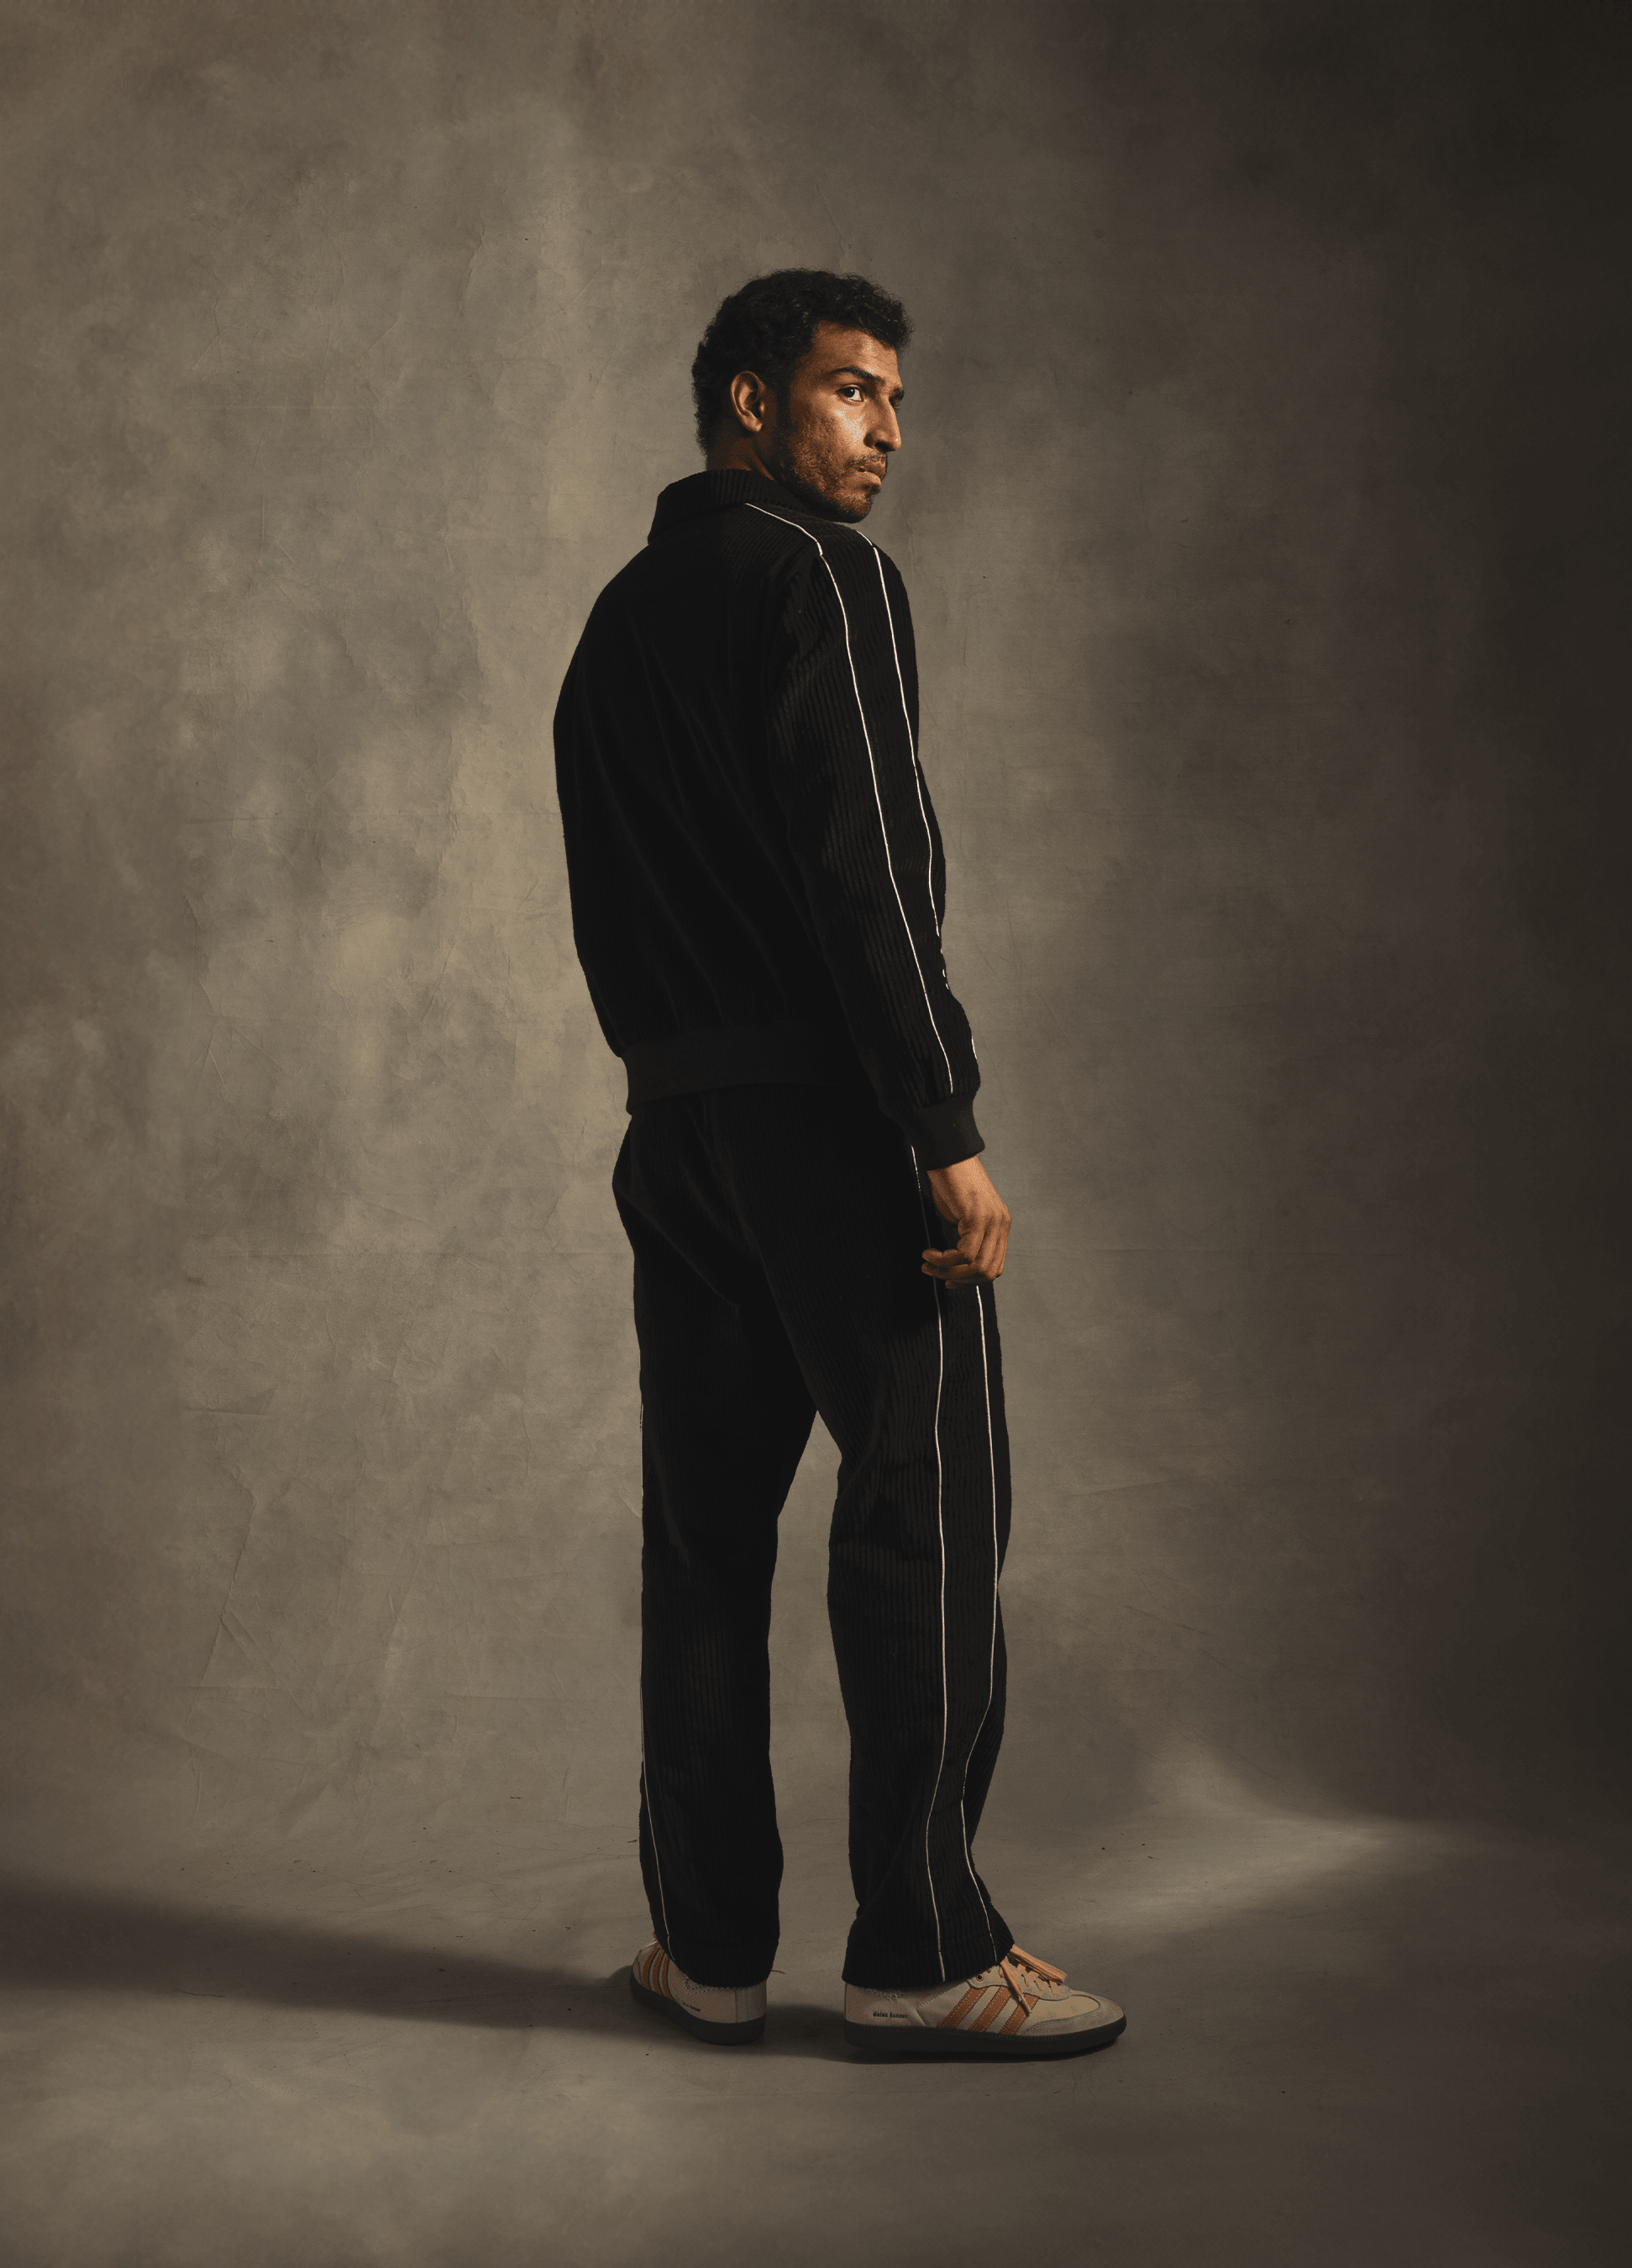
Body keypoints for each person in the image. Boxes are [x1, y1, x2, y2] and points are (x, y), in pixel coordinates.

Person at [552, 270, 1125, 2058]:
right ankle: (922, 1951)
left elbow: (605, 896)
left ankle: (708, 1951)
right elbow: (866, 873)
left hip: (675, 1129)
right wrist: (939, 1128)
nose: (885, 432)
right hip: (830, 1123)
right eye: (852, 391)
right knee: (922, 1511)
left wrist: (687, 1082)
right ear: (751, 402)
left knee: (704, 1541)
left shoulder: (616, 621)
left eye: (893, 400)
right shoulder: (822, 576)